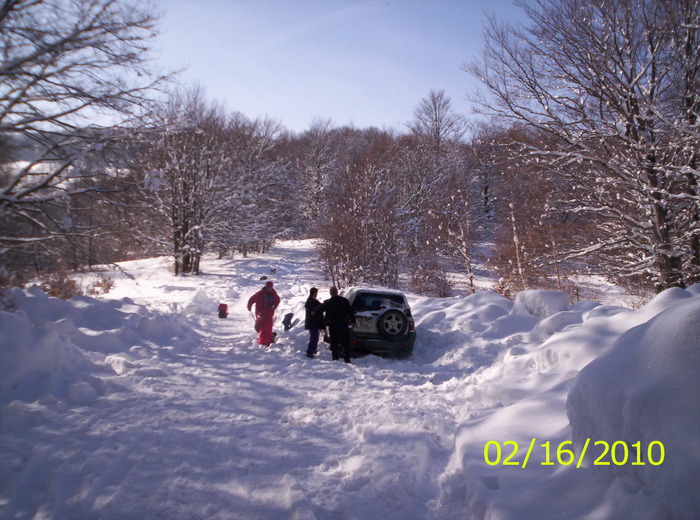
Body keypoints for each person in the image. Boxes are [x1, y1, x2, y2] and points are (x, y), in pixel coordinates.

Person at [314, 286, 355, 363]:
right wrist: (353, 321)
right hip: (343, 324)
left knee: (334, 342)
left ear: (330, 293)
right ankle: (347, 359)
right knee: (345, 342)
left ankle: (335, 358)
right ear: (337, 293)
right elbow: (350, 312)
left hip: (333, 325)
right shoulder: (344, 301)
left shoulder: (328, 302)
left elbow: (319, 309)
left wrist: (314, 311)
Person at [247, 281, 280, 346]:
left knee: (267, 328)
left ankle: (265, 342)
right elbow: (252, 299)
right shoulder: (260, 294)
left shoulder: (274, 294)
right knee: (258, 328)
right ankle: (269, 337)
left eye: (270, 287)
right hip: (260, 314)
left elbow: (277, 300)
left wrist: (274, 306)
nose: (269, 289)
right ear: (266, 287)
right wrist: (249, 306)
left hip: (269, 315)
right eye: (268, 287)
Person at [304, 287, 325, 358]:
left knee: (315, 337)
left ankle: (313, 350)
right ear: (314, 293)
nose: (317, 294)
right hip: (312, 323)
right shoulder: (310, 301)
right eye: (316, 292)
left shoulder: (312, 300)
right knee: (314, 337)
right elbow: (313, 310)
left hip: (313, 323)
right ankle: (310, 351)